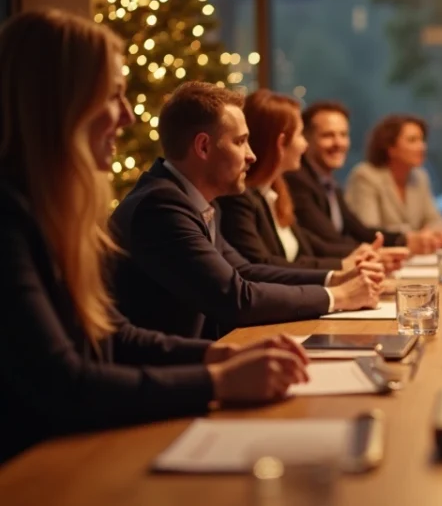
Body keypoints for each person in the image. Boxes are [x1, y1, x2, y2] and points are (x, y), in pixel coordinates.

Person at [0, 9, 310, 464]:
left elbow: (114, 334)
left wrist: (220, 357)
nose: (127, 116)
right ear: (58, 104)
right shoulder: (9, 216)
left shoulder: (54, 211)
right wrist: (218, 382)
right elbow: (61, 384)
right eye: (113, 96)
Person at [111, 82, 382, 341]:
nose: (251, 156)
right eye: (240, 142)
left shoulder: (196, 200)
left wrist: (336, 278)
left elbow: (246, 271)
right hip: (162, 376)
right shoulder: (161, 207)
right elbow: (236, 299)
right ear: (203, 147)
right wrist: (339, 296)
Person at [218, 89, 383, 271]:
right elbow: (261, 267)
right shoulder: (240, 197)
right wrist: (343, 266)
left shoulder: (275, 190)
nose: (305, 145)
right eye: (301, 135)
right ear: (280, 143)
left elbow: (309, 250)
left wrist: (356, 257)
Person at [285, 101, 433, 259]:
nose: (338, 143)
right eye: (328, 135)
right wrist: (376, 253)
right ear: (306, 139)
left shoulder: (327, 181)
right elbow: (329, 241)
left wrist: (404, 239)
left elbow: (358, 230)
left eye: (343, 135)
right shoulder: (298, 179)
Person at [345, 114, 442, 245]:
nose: (422, 147)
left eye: (422, 140)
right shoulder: (365, 176)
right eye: (413, 140)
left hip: (412, 259)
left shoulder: (420, 177)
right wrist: (414, 235)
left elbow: (436, 220)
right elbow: (368, 230)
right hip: (378, 259)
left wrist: (435, 232)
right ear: (391, 148)